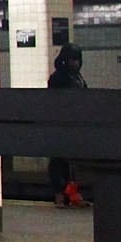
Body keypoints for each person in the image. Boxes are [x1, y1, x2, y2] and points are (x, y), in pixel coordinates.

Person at [46, 44, 86, 207]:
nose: (75, 63)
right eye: (72, 59)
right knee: (59, 160)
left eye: (77, 59)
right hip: (60, 124)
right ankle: (60, 194)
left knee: (70, 161)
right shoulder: (59, 78)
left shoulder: (77, 77)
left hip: (74, 124)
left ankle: (71, 192)